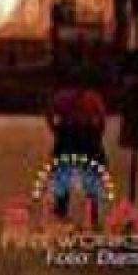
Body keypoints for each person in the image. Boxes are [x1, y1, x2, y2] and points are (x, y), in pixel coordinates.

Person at [47, 74, 108, 222]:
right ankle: (92, 212)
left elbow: (50, 114)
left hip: (67, 135)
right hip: (87, 135)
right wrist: (97, 135)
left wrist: (56, 130)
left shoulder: (62, 96)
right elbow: (101, 118)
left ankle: (61, 210)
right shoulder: (92, 97)